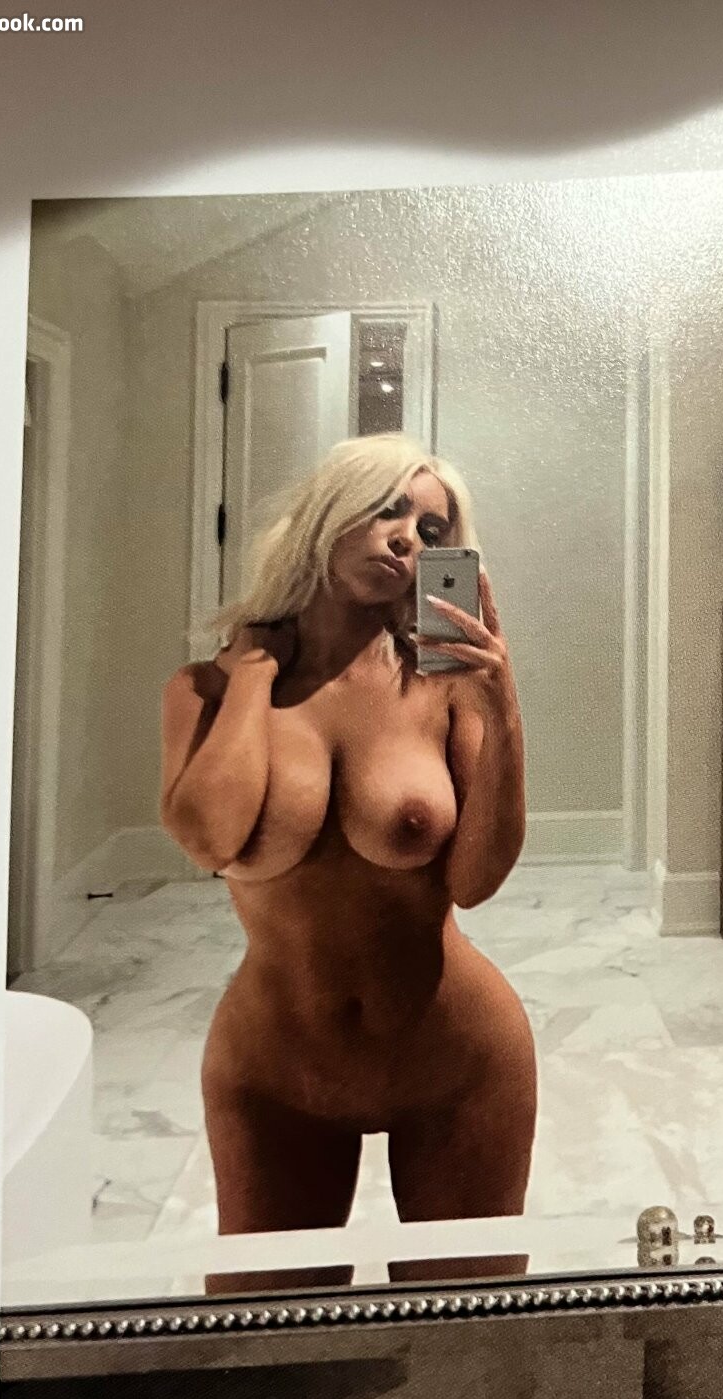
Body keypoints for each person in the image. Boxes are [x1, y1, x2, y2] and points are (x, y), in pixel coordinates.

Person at [159, 434, 536, 1291]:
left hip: (457, 1055)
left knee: (470, 1327)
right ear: (325, 515)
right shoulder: (204, 691)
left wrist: (503, 709)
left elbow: (475, 883)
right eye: (385, 509)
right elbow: (210, 838)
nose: (407, 537)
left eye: (430, 528)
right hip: (274, 1071)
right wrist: (253, 674)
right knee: (269, 1335)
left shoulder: (443, 688)